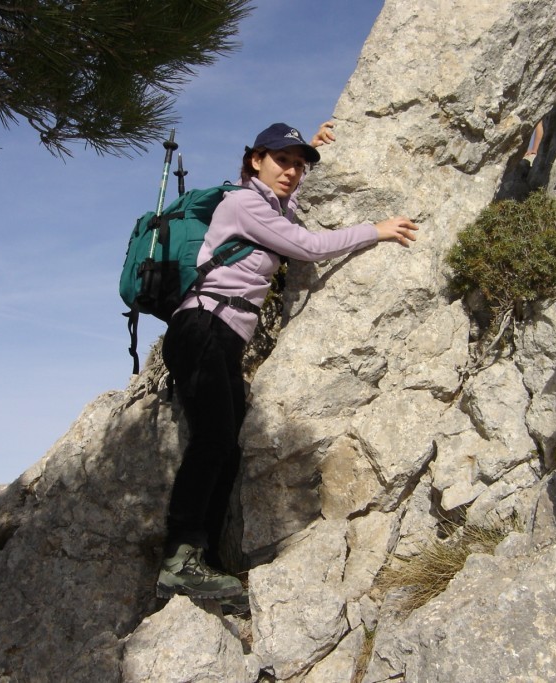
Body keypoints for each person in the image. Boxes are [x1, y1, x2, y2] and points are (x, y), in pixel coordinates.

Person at [157, 121, 418, 601]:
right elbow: (305, 246)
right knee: (212, 440)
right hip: (202, 328)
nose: (293, 172)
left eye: (299, 166)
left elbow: (287, 216)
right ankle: (179, 557)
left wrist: (310, 153)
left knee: (227, 447)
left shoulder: (269, 206)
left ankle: (206, 559)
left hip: (223, 338)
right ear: (255, 159)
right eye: (283, 161)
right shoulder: (241, 202)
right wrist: (375, 230)